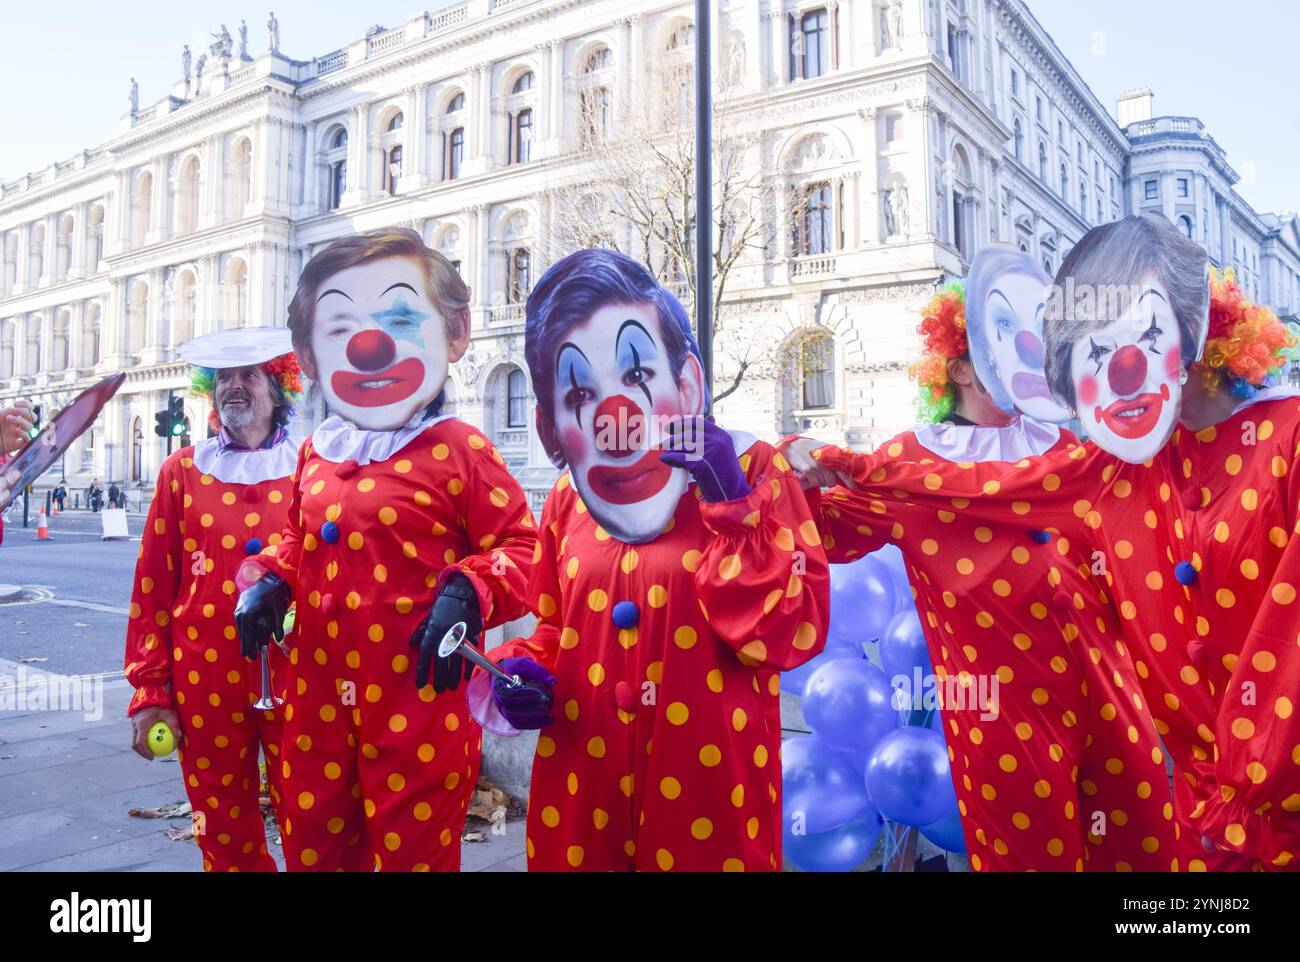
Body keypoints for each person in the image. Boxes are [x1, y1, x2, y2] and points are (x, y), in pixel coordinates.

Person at [800, 215, 1234, 868]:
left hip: (1105, 688)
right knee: (1031, 855)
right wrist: (797, 466)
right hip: (1001, 706)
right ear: (961, 368)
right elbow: (823, 531)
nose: (1030, 353)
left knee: (1139, 843)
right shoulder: (913, 459)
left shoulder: (1068, 446)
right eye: (1006, 340)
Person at [480, 249, 830, 872]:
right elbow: (556, 629)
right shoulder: (568, 496)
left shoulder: (752, 471)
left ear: (687, 383)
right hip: (582, 796)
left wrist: (730, 504)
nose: (614, 412)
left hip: (708, 795)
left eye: (637, 374)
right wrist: (520, 676)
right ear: (554, 426)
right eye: (580, 392)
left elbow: (789, 632)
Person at [235, 229, 537, 872]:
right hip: (316, 708)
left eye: (398, 320)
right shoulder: (320, 449)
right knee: (315, 850)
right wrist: (273, 579)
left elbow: (524, 546)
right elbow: (298, 539)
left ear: (451, 336)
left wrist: (472, 588)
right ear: (312, 356)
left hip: (417, 709)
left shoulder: (458, 448)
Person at [123, 328, 305, 871]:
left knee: (314, 812)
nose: (234, 387)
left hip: (297, 669)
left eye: (248, 375)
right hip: (204, 674)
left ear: (278, 389)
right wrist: (150, 689)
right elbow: (152, 586)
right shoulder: (181, 471)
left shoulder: (312, 466)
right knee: (220, 820)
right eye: (223, 377)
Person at [1164, 270, 1300, 868]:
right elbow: (1029, 489)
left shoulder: (1290, 432)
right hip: (1198, 796)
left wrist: (1256, 764)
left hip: (1281, 789)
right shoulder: (1144, 458)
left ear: (1201, 358)